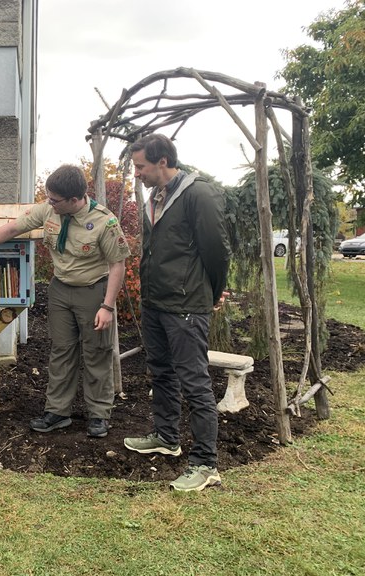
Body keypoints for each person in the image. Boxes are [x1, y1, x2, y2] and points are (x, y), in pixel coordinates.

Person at [0, 164, 130, 438]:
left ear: (75, 200)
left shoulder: (104, 222)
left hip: (93, 292)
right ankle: (57, 412)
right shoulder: (49, 211)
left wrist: (107, 306)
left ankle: (99, 414)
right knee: (61, 351)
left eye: (55, 199)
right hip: (60, 290)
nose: (49, 203)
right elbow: (13, 228)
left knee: (96, 352)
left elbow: (117, 265)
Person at [123, 133, 231, 492]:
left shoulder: (198, 194)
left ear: (163, 162)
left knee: (195, 382)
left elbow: (217, 250)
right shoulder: (155, 197)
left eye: (141, 166)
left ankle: (205, 463)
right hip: (155, 302)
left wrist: (210, 294)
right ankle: (167, 437)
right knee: (161, 374)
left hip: (186, 305)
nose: (136, 173)